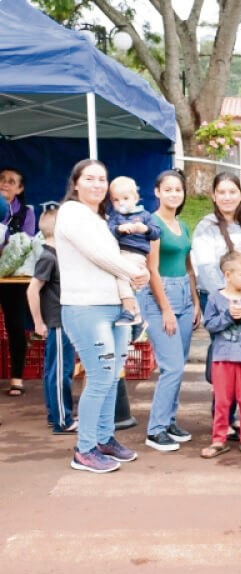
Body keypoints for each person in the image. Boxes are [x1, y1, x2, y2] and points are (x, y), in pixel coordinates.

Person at [56, 159, 148, 473]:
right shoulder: (71, 213)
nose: (97, 184)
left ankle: (104, 439)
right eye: (90, 178)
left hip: (115, 308)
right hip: (85, 309)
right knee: (99, 377)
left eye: (102, 179)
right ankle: (84, 450)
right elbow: (100, 255)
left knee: (111, 377)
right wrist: (133, 272)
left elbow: (121, 254)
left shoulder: (104, 217)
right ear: (76, 182)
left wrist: (133, 281)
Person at [142, 170, 201, 452]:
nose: (174, 194)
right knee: (172, 366)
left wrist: (195, 301)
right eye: (168, 189)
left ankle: (169, 421)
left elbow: (188, 266)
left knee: (179, 365)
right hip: (159, 296)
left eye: (178, 189)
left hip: (184, 295)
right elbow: (151, 269)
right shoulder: (152, 223)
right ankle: (155, 430)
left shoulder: (182, 225)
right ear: (157, 191)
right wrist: (165, 309)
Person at [201, 251, 241, 459]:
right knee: (222, 401)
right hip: (221, 358)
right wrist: (228, 316)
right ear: (227, 275)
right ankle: (218, 439)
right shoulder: (214, 298)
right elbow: (209, 325)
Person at [26, 207, 77, 435]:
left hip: (61, 321)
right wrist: (39, 322)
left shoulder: (55, 256)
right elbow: (32, 290)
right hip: (57, 322)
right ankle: (62, 420)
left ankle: (55, 414)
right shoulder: (48, 257)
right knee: (60, 372)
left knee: (54, 371)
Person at [191, 173, 241, 313]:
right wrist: (227, 299)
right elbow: (206, 270)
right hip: (218, 299)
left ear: (240, 195)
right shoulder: (206, 227)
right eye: (222, 192)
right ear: (214, 196)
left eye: (232, 192)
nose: (227, 197)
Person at [107, 176, 160, 331]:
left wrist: (145, 229)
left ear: (135, 198)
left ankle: (130, 310)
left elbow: (156, 233)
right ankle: (137, 317)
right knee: (124, 281)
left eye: (125, 198)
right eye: (116, 200)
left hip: (136, 254)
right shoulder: (115, 217)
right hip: (119, 252)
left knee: (122, 277)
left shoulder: (144, 215)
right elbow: (109, 230)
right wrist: (119, 229)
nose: (121, 203)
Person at [0, 167, 34, 397]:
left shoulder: (26, 213)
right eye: (1, 180)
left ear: (19, 189)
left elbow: (25, 243)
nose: (5, 184)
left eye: (11, 181)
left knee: (15, 326)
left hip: (13, 279)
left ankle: (17, 378)